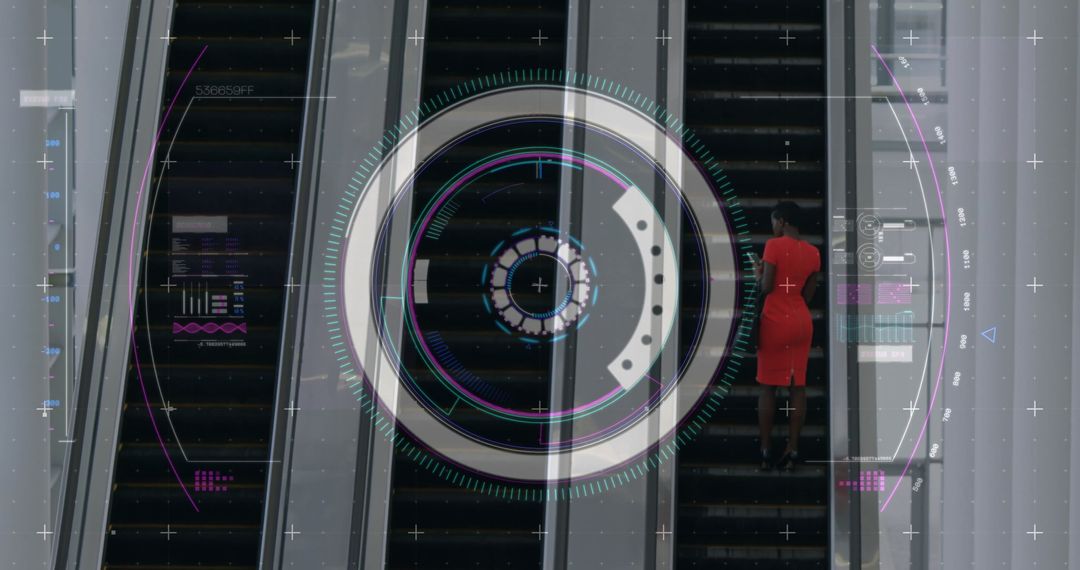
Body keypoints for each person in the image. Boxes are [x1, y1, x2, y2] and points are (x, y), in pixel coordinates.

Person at [750, 201, 820, 471]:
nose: (773, 226)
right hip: (801, 321)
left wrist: (759, 276)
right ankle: (793, 448)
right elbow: (808, 295)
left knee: (768, 387)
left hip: (775, 320)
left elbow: (767, 286)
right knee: (797, 386)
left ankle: (766, 448)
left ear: (781, 221)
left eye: (773, 221)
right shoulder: (814, 253)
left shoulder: (773, 246)